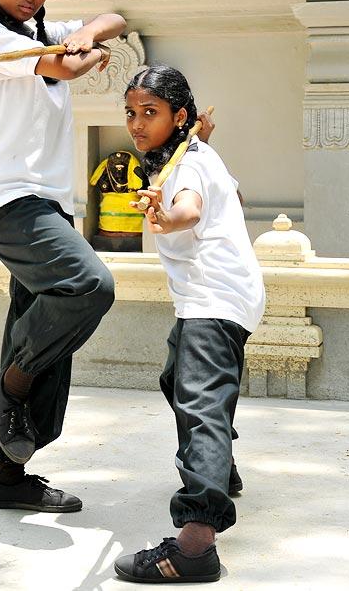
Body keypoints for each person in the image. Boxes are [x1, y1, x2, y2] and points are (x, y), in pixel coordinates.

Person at [0, 0, 126, 513]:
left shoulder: (42, 32)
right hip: (9, 202)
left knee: (44, 331)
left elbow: (114, 18)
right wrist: (75, 53)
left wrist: (85, 34)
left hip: (50, 205)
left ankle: (9, 477)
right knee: (89, 286)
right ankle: (13, 382)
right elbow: (63, 68)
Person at [114, 65, 265, 583]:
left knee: (200, 407)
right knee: (177, 382)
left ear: (179, 116)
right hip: (227, 296)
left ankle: (195, 546)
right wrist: (191, 146)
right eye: (132, 113)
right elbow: (235, 201)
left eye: (150, 113)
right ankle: (219, 470)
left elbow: (190, 211)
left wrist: (162, 215)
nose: (137, 124)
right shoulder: (196, 154)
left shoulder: (187, 167)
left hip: (211, 296)